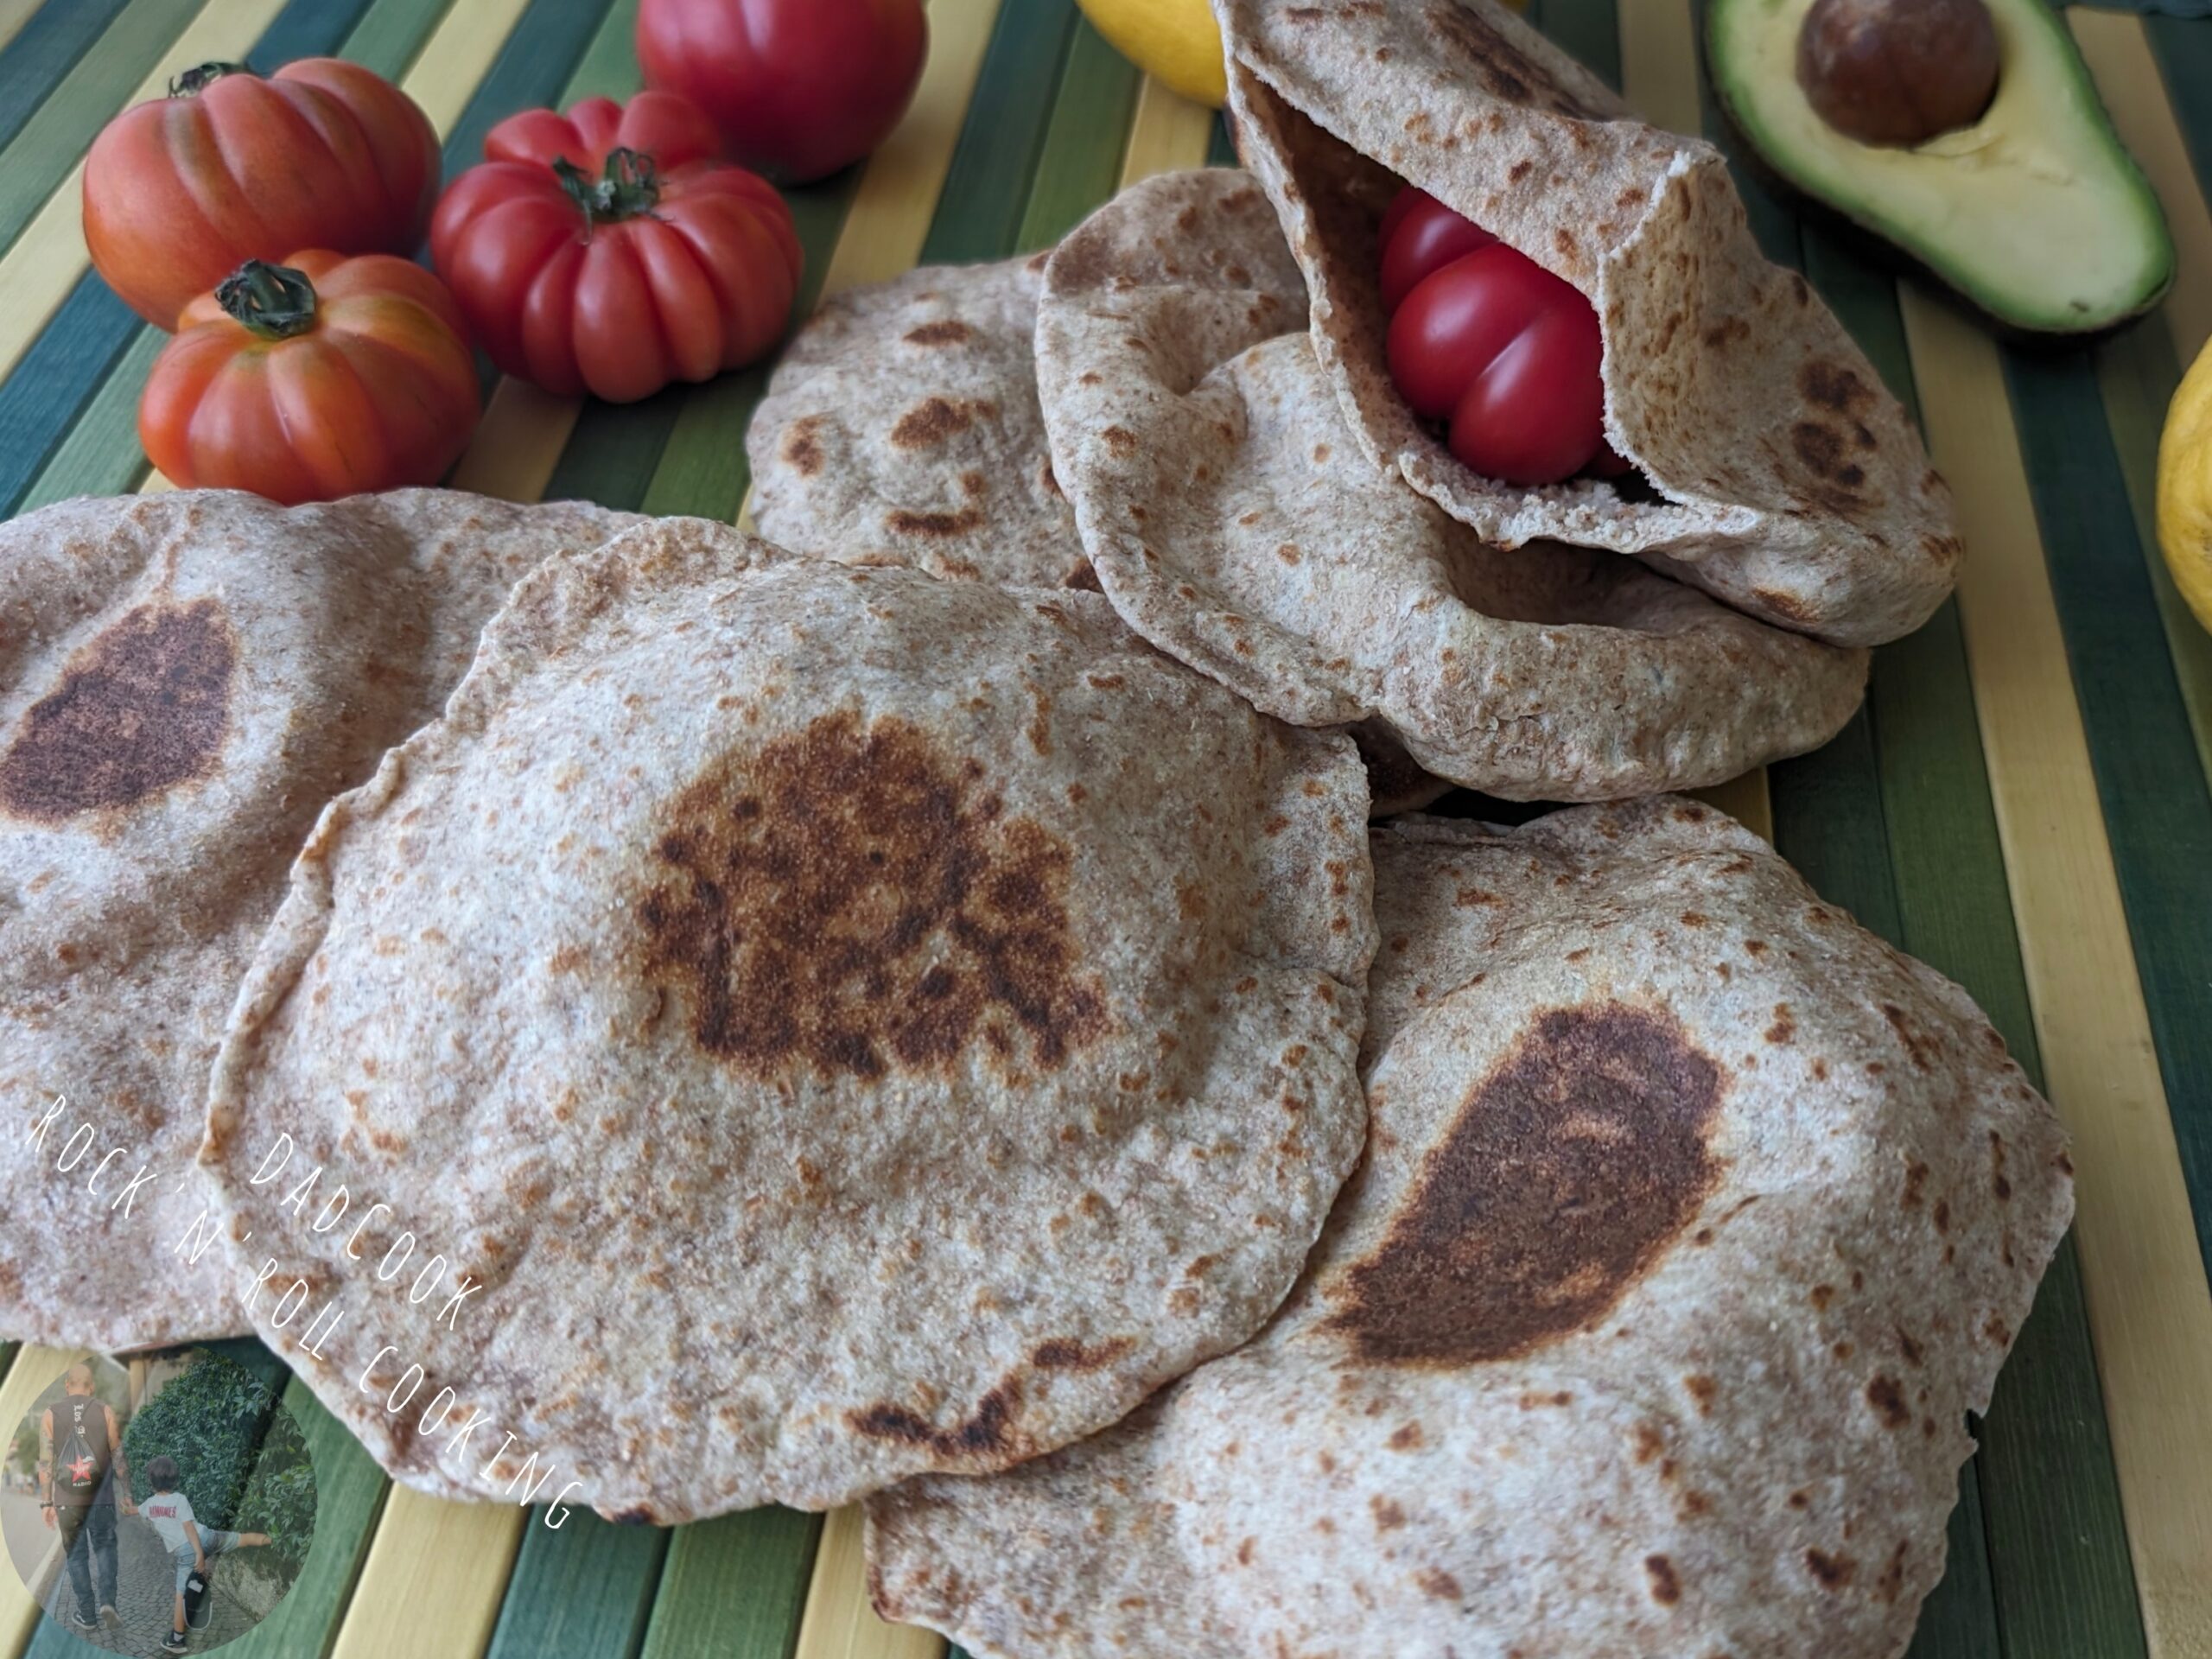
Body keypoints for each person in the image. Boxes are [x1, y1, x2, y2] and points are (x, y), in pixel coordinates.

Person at [139, 1455, 271, 1653]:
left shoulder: (149, 1505)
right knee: (241, 1539)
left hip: (189, 1551)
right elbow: (191, 1526)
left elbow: (187, 1528)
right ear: (174, 1479)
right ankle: (272, 1541)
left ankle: (177, 1640)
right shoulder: (179, 1499)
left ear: (151, 1480)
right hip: (208, 1537)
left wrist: (199, 1556)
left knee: (180, 1595)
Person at [37, 1363, 130, 1631]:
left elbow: (45, 1463)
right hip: (100, 1499)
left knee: (76, 1557)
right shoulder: (104, 1411)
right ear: (92, 1387)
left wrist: (46, 1503)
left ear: (67, 1385)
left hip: (67, 1501)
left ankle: (87, 1614)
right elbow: (119, 1455)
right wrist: (127, 1493)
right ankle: (108, 1603)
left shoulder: (50, 1414)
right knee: (105, 1548)